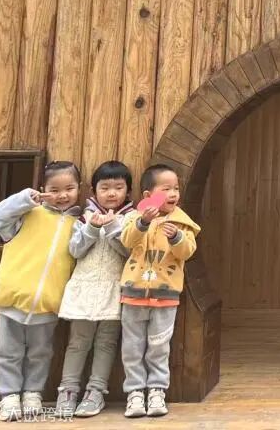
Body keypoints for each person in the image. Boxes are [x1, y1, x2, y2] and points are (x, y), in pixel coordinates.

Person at [0, 161, 83, 422]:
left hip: (48, 303)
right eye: (54, 189)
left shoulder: (78, 224)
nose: (62, 195)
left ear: (79, 188)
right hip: (13, 298)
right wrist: (25, 199)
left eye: (69, 188)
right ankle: (9, 395)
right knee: (8, 352)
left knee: (40, 353)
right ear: (43, 189)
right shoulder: (28, 214)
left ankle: (33, 392)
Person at [119, 164, 199, 418]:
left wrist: (176, 237)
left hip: (166, 297)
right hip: (133, 294)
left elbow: (187, 252)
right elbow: (126, 241)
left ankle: (156, 390)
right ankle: (134, 392)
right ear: (148, 195)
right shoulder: (134, 218)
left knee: (159, 346)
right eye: (166, 189)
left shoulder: (183, 223)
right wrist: (143, 222)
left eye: (176, 188)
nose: (173, 193)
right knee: (132, 347)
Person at [56, 161, 135, 417]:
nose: (112, 193)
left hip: (114, 289)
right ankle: (68, 391)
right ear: (94, 190)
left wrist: (111, 227)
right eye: (105, 187)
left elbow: (129, 252)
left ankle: (96, 392)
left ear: (128, 191)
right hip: (85, 287)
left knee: (106, 343)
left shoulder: (132, 219)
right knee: (78, 342)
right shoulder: (83, 217)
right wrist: (92, 227)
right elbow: (75, 250)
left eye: (118, 187)